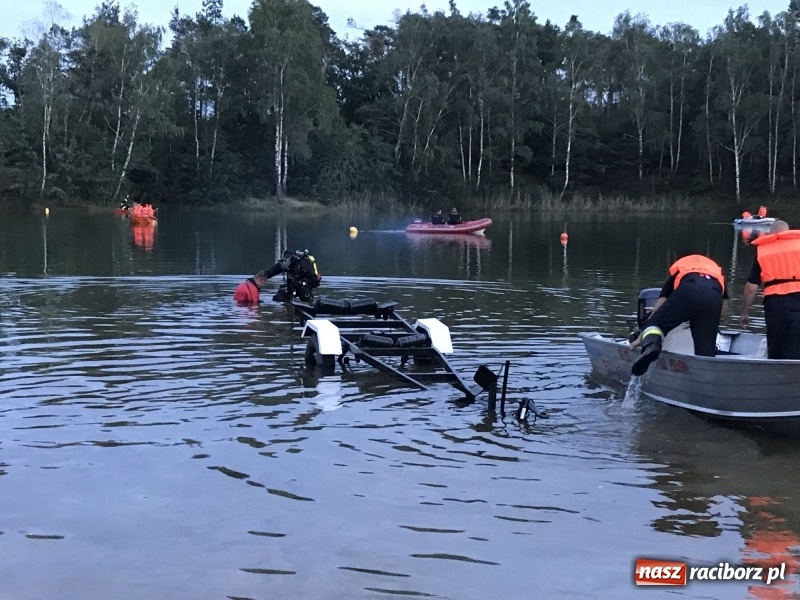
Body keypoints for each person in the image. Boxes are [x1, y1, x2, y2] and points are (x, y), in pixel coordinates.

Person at [630, 254, 728, 376]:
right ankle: (705, 379)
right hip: (713, 296)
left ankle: (651, 346)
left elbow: (661, 304)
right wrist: (704, 323)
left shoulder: (681, 269)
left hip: (689, 289)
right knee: (706, 351)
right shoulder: (717, 274)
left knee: (655, 324)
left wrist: (643, 334)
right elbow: (723, 310)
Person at [739, 220, 800, 359]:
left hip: (775, 302)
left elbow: (751, 288)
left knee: (776, 342)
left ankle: (775, 372)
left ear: (771, 234)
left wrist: (744, 313)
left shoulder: (764, 250)